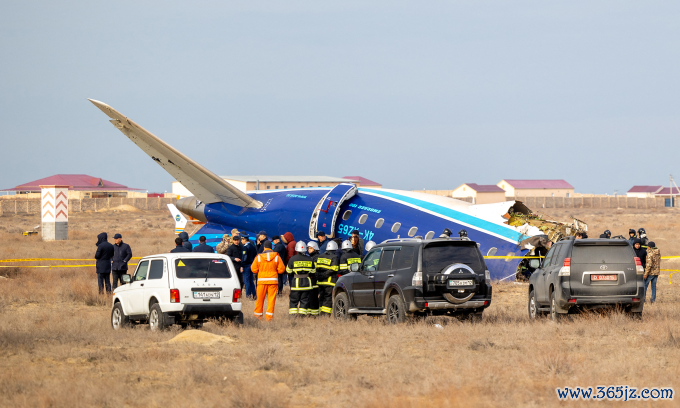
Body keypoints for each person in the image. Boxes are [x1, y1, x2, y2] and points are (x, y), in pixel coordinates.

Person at [250, 241, 286, 321]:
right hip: (273, 282)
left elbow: (253, 269)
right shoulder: (276, 257)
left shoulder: (259, 257)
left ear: (264, 247)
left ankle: (257, 317)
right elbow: (282, 269)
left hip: (261, 282)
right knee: (271, 300)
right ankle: (269, 318)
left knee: (259, 299)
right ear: (271, 247)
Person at [287, 241, 315, 316]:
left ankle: (293, 316)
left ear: (296, 249)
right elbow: (313, 271)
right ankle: (302, 316)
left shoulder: (292, 259)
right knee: (304, 300)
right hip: (307, 283)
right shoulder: (310, 259)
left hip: (296, 283)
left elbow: (288, 271)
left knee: (293, 300)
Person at [316, 240, 339, 316]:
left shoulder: (320, 256)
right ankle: (326, 314)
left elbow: (317, 268)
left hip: (320, 281)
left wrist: (320, 275)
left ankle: (321, 312)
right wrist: (325, 274)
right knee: (328, 297)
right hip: (329, 281)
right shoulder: (334, 257)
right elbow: (334, 269)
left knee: (321, 296)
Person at [307, 241, 320, 316]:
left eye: (311, 248)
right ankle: (309, 313)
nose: (309, 250)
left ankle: (314, 314)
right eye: (308, 248)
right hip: (310, 281)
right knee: (309, 297)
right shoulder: (311, 257)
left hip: (315, 281)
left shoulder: (316, 258)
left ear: (315, 249)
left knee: (313, 298)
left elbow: (315, 271)